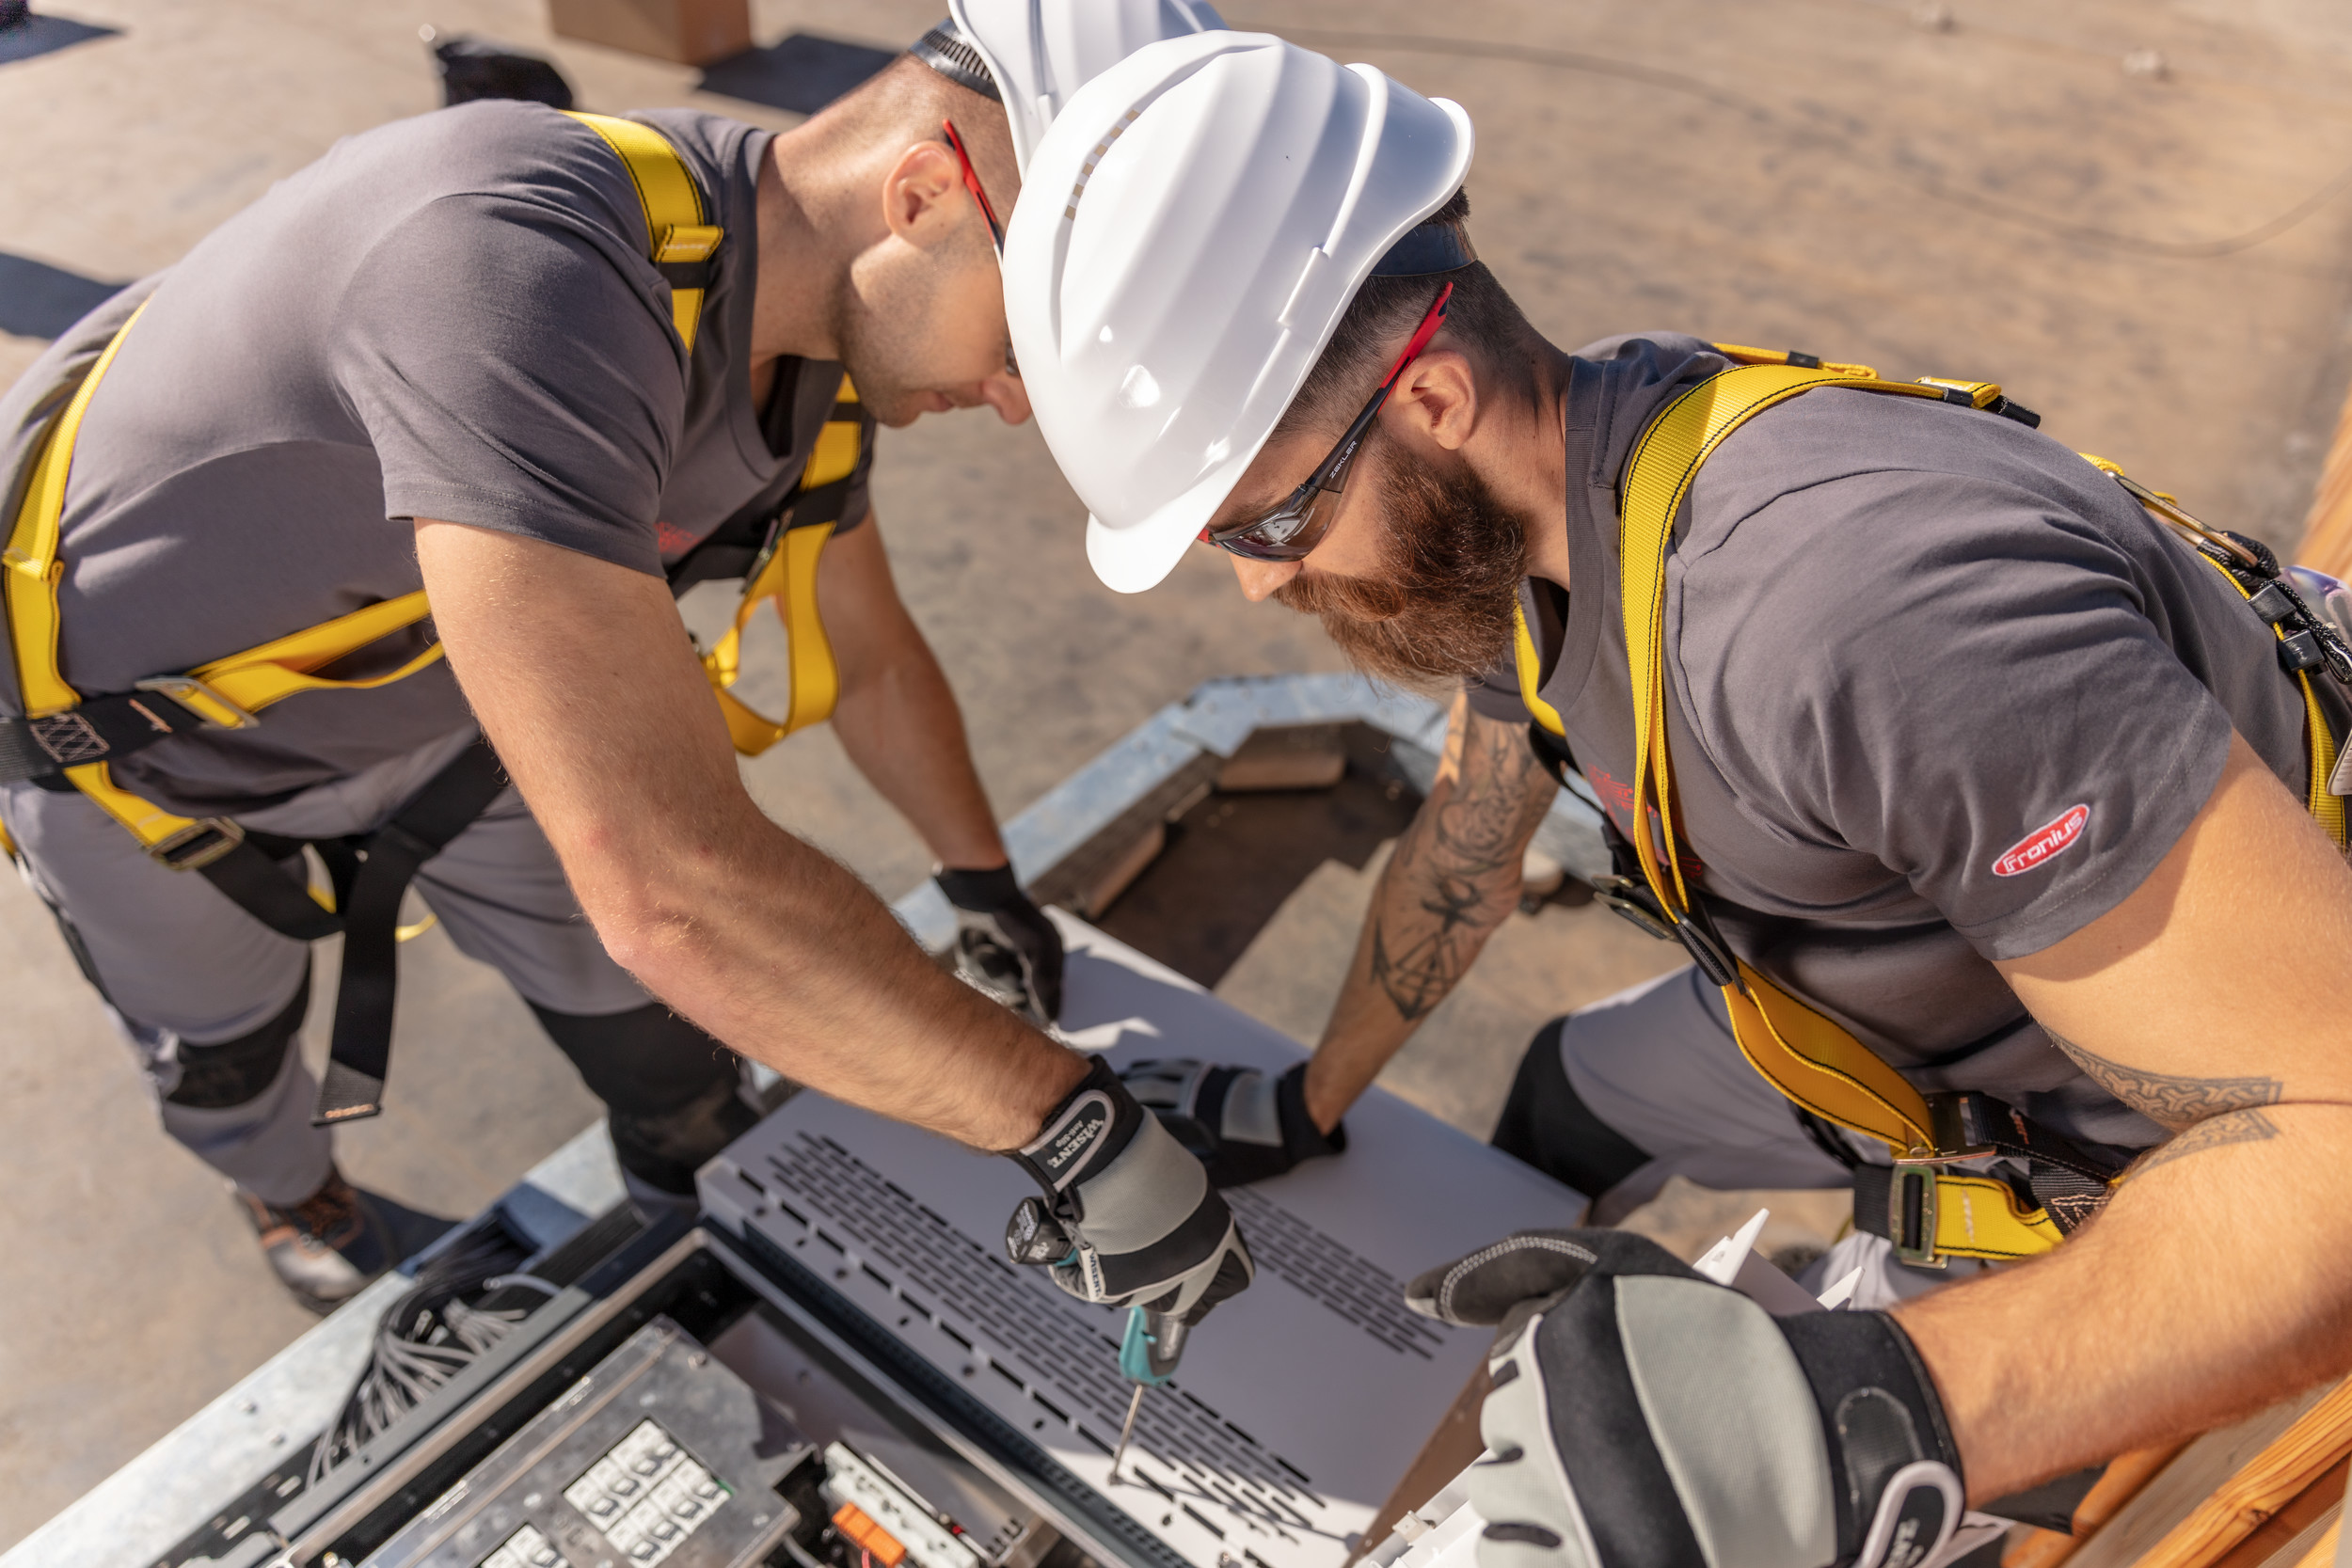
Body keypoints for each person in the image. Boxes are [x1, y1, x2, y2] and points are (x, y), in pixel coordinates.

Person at [1003, 31, 2352, 1563]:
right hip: (1871, 985)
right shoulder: (1555, 501)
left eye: (1266, 522)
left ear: (1430, 399)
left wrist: (1860, 1414)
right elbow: (1469, 838)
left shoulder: (1849, 619)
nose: (1263, 590)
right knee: (1567, 1100)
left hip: (2129, 1096)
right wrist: (1310, 1101)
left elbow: (2333, 1133)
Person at [0, 0, 1249, 1330]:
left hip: (447, 711)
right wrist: (1068, 1125)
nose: (1013, 402)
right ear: (928, 191)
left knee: (664, 1041)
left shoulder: (810, 353)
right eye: (1025, 351)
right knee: (230, 1055)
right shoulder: (511, 274)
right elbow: (670, 889)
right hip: (147, 767)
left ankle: (697, 1184)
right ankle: (292, 1192)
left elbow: (871, 663)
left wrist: (985, 887)